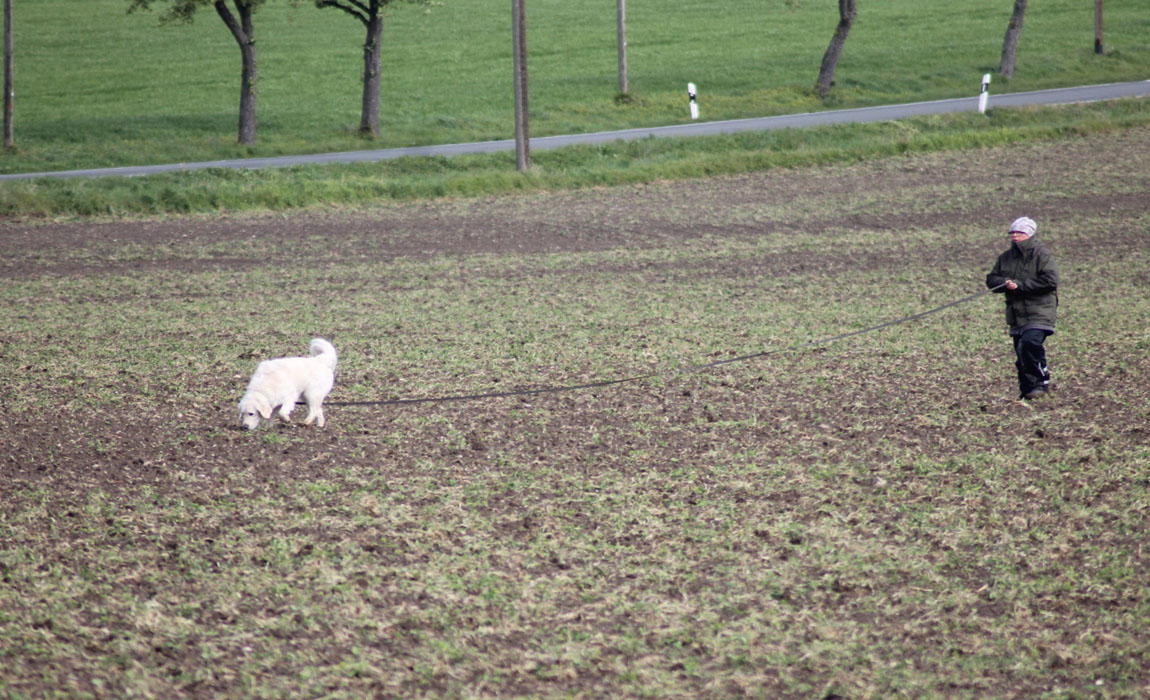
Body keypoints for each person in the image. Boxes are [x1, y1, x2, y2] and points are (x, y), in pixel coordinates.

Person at [986, 216, 1060, 400]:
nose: (1015, 236)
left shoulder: (1042, 256)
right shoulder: (1006, 258)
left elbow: (1050, 281)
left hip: (1040, 311)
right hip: (1016, 313)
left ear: (1030, 234)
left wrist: (1021, 285)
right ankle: (1027, 390)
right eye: (1013, 233)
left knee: (1030, 343)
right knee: (1020, 351)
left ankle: (1041, 383)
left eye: (1020, 233)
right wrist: (1003, 283)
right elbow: (991, 279)